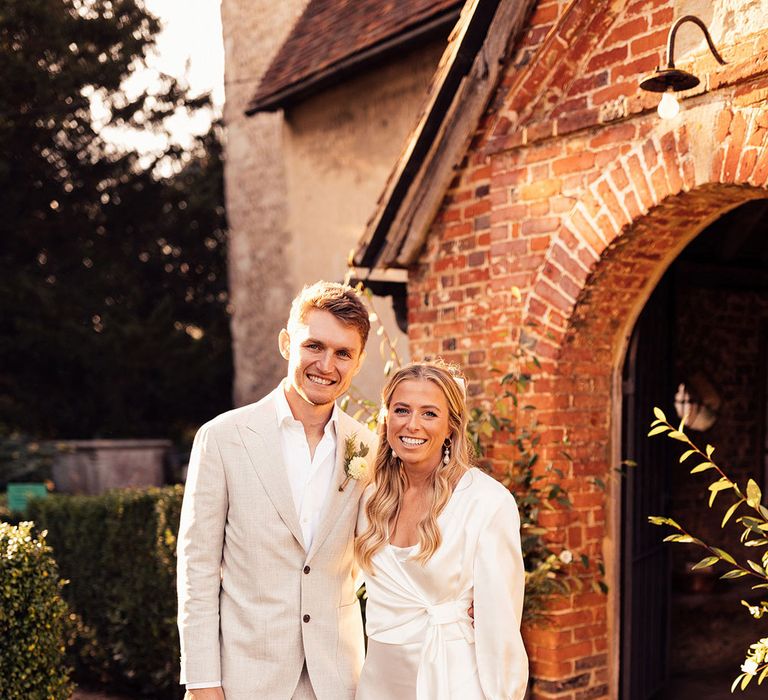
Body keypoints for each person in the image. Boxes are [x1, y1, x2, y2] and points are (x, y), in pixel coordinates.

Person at [177, 281, 378, 700]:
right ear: (287, 343)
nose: (327, 364)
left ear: (358, 362)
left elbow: (384, 552)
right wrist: (201, 681)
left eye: (343, 353)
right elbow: (197, 567)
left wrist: (455, 599)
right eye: (314, 346)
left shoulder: (369, 448)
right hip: (244, 679)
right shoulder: (223, 437)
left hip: (338, 679)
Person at [355, 361, 529, 700]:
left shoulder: (486, 502)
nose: (412, 424)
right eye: (401, 409)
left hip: (452, 680)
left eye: (430, 413)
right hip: (379, 683)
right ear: (386, 417)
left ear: (452, 426)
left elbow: (500, 628)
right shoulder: (370, 499)